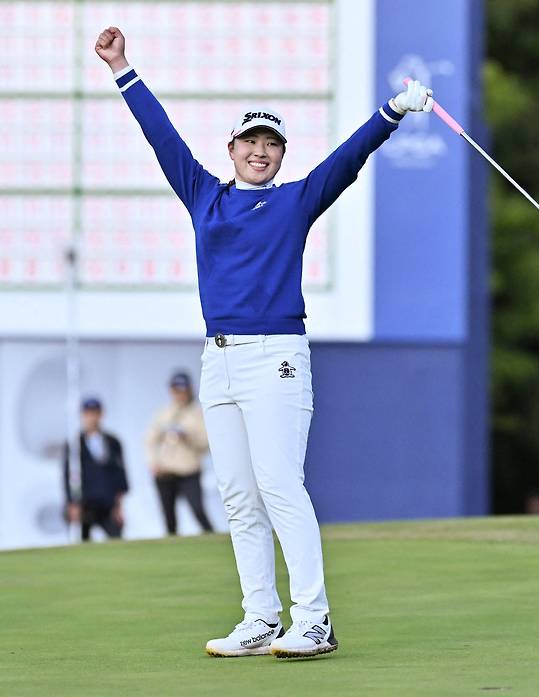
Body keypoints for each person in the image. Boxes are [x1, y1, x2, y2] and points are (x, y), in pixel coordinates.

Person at [95, 25, 433, 658]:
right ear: (232, 148)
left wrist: (392, 110)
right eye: (251, 141)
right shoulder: (204, 196)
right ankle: (260, 618)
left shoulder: (295, 201)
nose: (260, 151)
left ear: (280, 156)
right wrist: (121, 67)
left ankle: (315, 619)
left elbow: (347, 159)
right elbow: (160, 135)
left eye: (271, 144)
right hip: (217, 362)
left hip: (275, 358)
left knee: (279, 484)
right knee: (237, 495)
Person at [145, 371, 214, 535]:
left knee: (198, 510)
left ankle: (212, 537)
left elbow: (205, 444)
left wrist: (188, 436)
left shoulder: (198, 414)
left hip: (188, 471)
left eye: (183, 390)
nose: (180, 394)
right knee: (169, 518)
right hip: (165, 472)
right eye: (177, 390)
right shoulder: (164, 413)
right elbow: (150, 440)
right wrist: (153, 462)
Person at [63, 397, 129, 542]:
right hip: (85, 504)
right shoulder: (75, 444)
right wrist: (71, 503)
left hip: (107, 503)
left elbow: (120, 474)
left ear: (101, 414)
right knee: (82, 543)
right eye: (88, 413)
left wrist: (118, 505)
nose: (92, 417)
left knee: (116, 540)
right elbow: (68, 475)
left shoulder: (113, 442)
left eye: (95, 413)